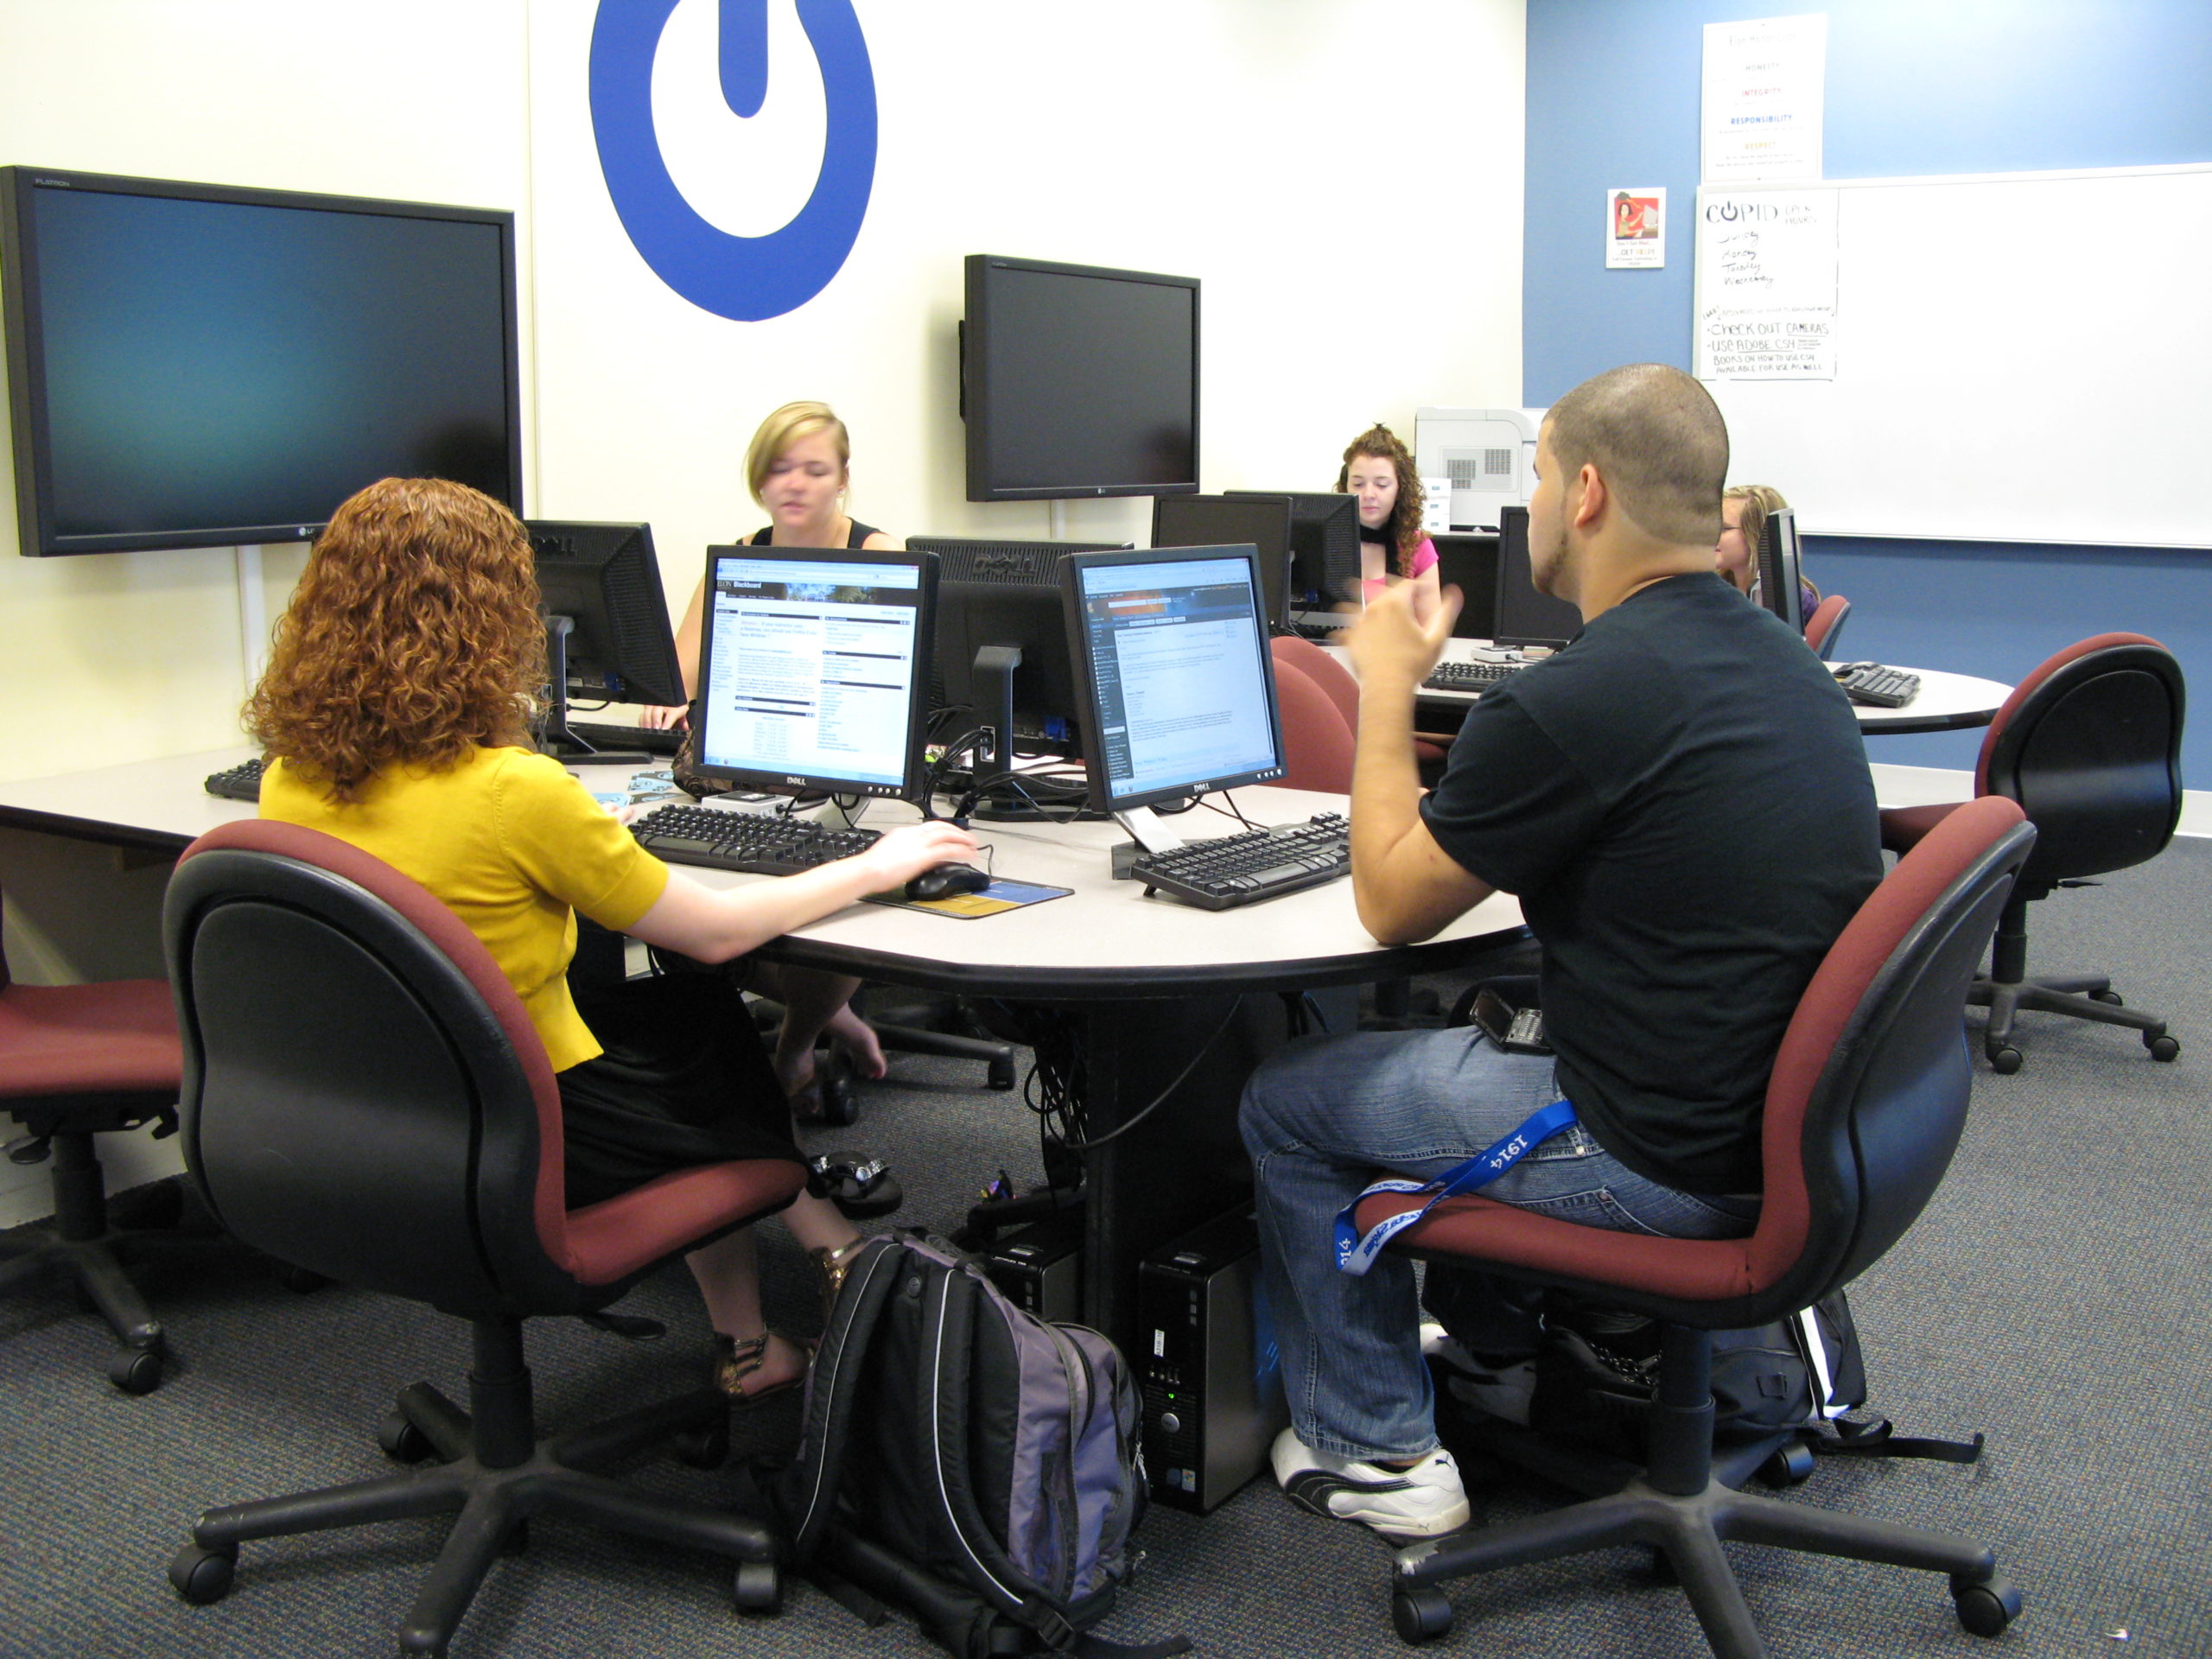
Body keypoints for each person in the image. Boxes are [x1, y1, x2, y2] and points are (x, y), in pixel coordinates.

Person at [1244, 365, 1881, 1540]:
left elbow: (1389, 902)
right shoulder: (1789, 664)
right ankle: (1483, 1349)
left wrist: (1388, 685)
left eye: (1537, 479)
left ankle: (1378, 1449)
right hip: (1799, 1135)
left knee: (1288, 1103)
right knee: (1482, 1014)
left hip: (1658, 1158)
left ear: (1584, 493)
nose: (1528, 506)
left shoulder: (1576, 699)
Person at [248, 476, 979, 1402]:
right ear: (490, 621)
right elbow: (716, 931)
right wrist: (877, 864)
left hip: (388, 1100)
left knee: (661, 998)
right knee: (701, 1017)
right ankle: (819, 1269)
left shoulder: (291, 775)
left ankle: (773, 1310)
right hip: (531, 1121)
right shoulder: (516, 792)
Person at [641, 400, 905, 1117]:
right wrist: (670, 696)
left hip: (844, 761)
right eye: (780, 469)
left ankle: (795, 1044)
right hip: (756, 760)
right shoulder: (742, 552)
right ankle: (830, 1014)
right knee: (693, 895)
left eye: (815, 470)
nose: (795, 484)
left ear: (843, 478)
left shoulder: (880, 556)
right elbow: (681, 671)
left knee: (837, 890)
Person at [1337, 423, 1443, 610]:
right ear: (1345, 487)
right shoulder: (1328, 540)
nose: (1369, 494)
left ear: (1400, 488)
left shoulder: (1416, 545)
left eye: (1382, 485)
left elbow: (1430, 627)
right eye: (1358, 484)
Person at [1716, 481, 1819, 620]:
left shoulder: (1792, 604)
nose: (1710, 535)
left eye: (1724, 528)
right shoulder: (1713, 590)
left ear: (1758, 534)